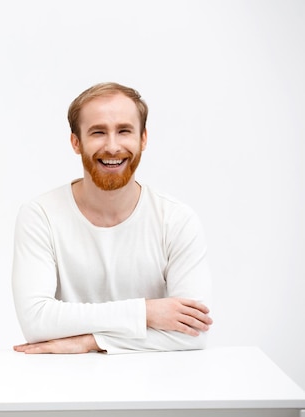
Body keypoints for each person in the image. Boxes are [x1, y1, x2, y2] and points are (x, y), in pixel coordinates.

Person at [12, 82, 213, 354]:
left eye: (124, 131)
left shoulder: (176, 220)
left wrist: (90, 342)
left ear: (143, 139)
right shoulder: (40, 215)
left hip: (157, 388)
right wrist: (145, 312)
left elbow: (194, 335)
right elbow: (36, 321)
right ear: (76, 142)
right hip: (64, 386)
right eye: (98, 132)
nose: (113, 146)